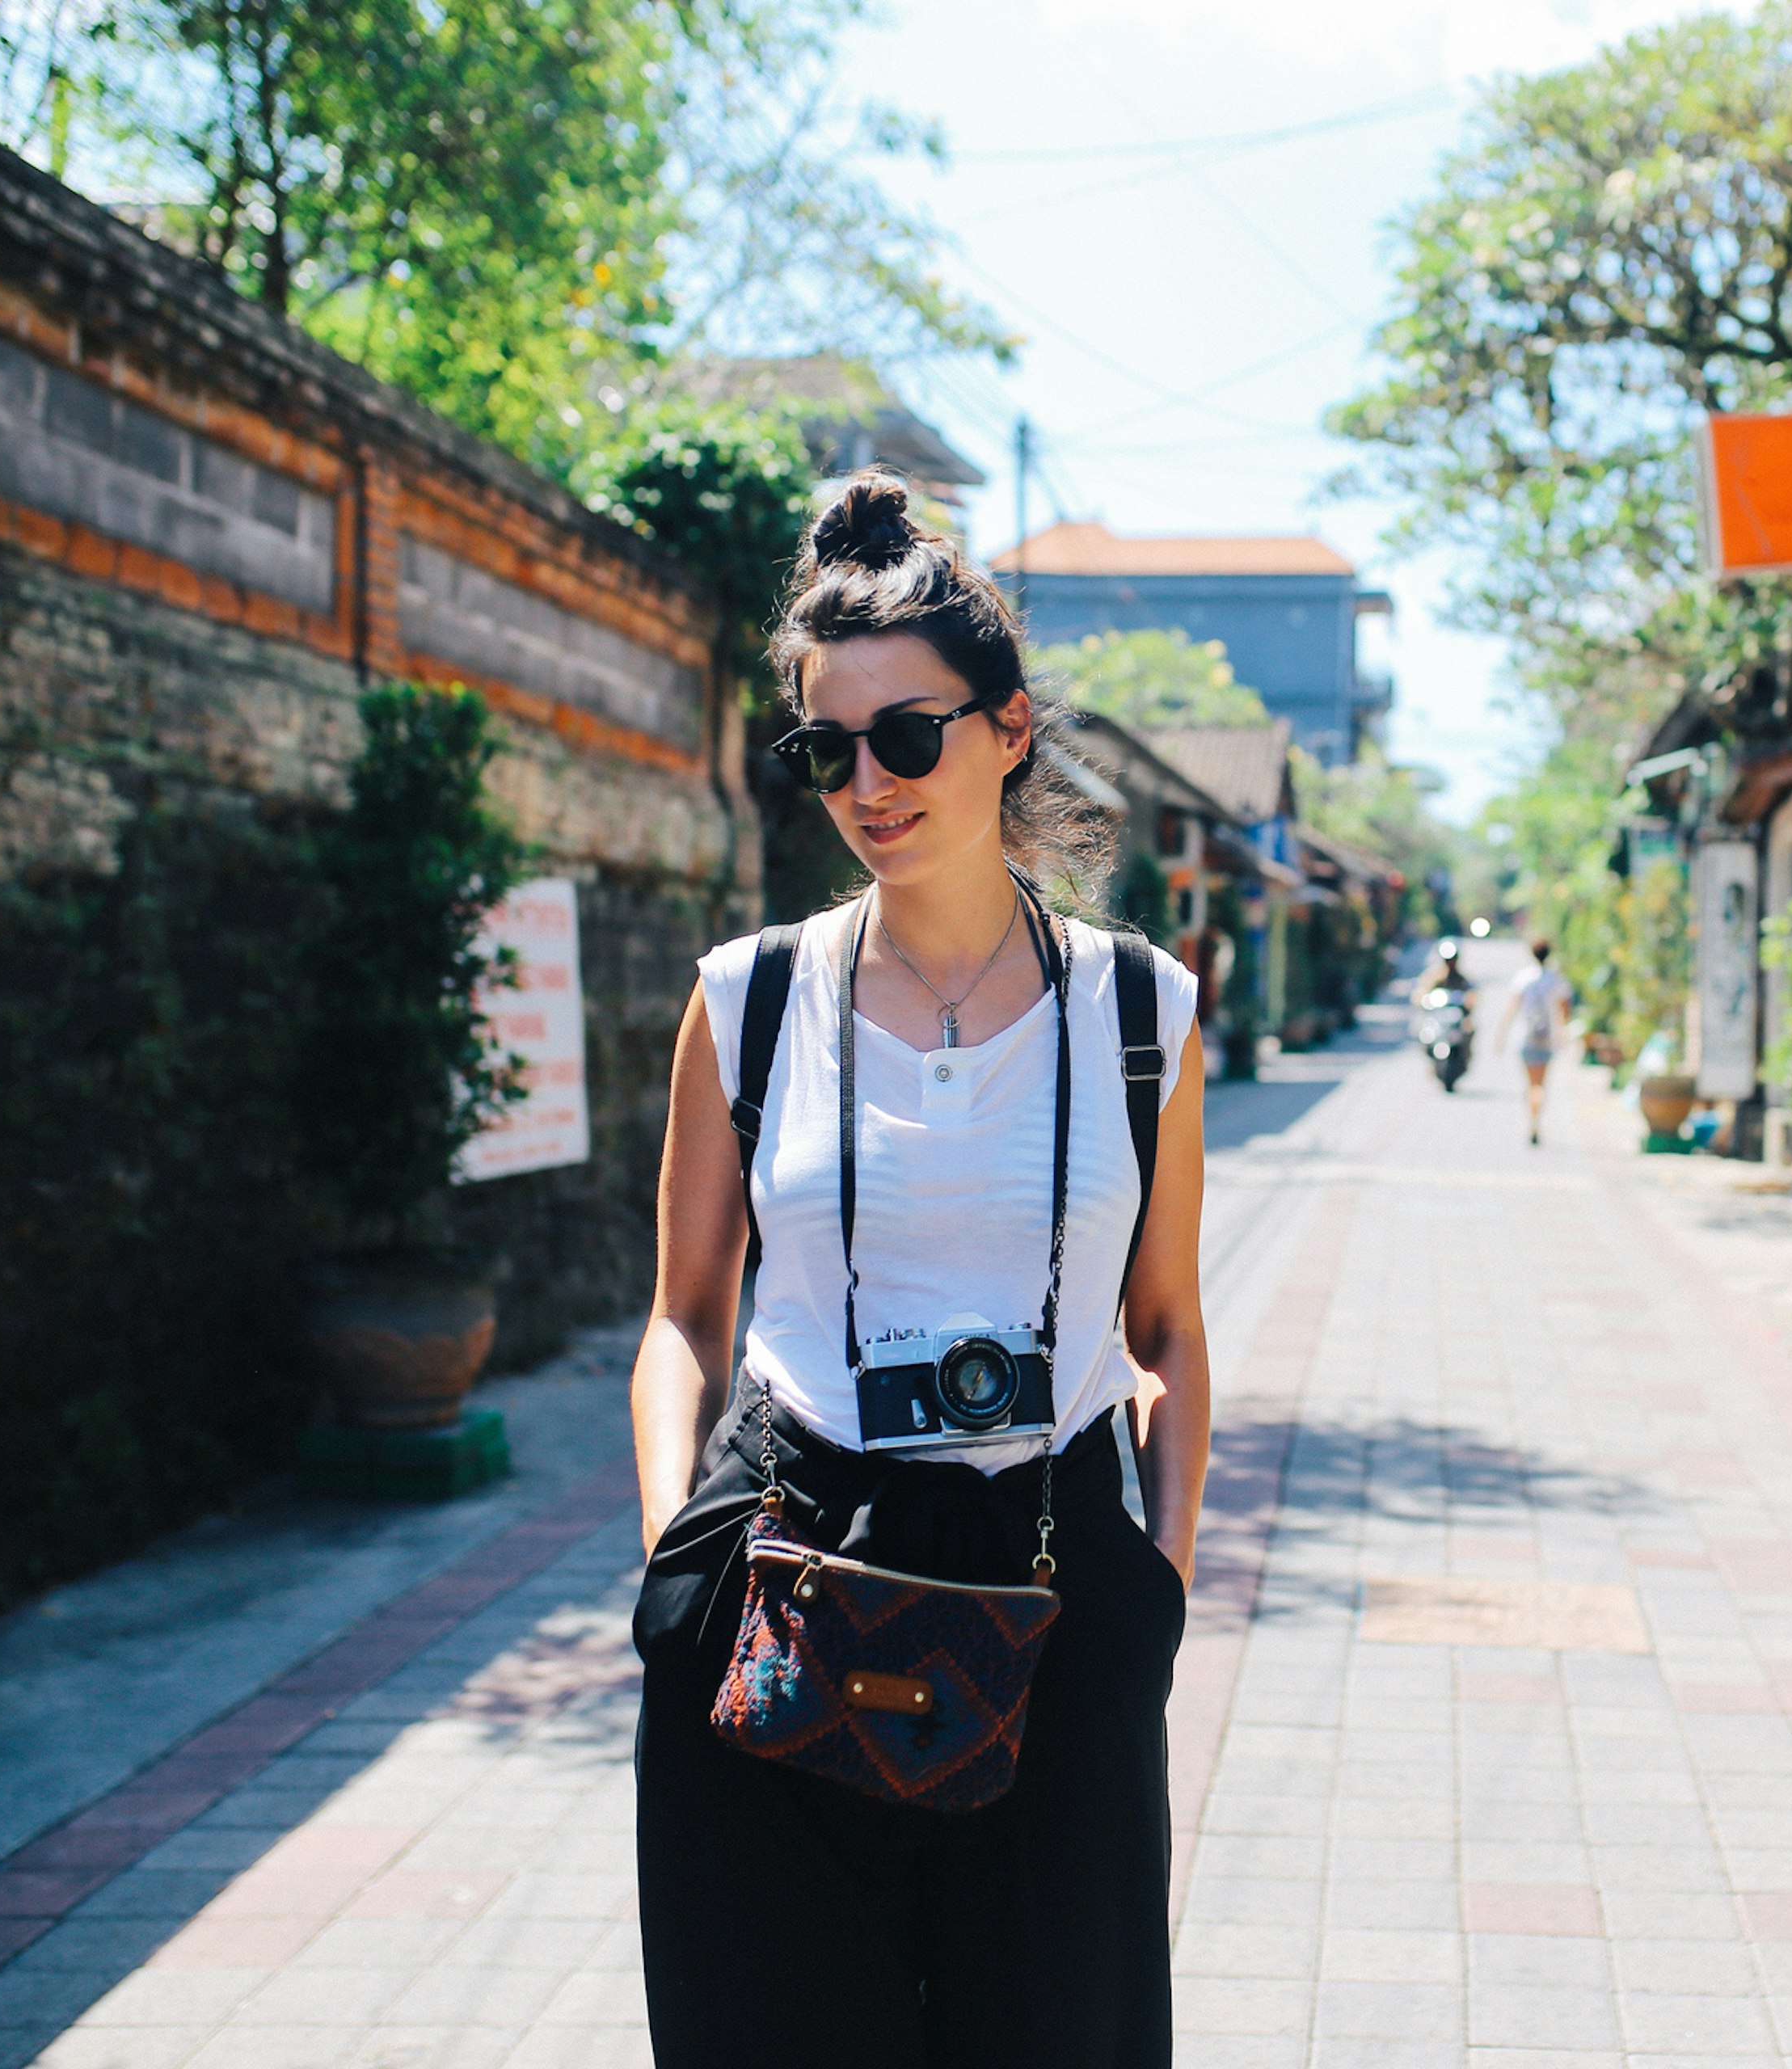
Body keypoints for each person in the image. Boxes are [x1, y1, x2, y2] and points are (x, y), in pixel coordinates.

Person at [625, 471, 1210, 2067]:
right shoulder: (747, 1000)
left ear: (1009, 726)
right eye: (828, 748)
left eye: (907, 735)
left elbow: (1165, 1321)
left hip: (1056, 1573)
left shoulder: (1141, 1010)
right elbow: (684, 1312)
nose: (868, 783)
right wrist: (676, 1559)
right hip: (791, 1564)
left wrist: (1159, 1570)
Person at [1504, 939, 1573, 1145]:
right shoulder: (1556, 979)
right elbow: (1565, 1009)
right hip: (1547, 1039)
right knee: (1540, 1085)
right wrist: (1563, 1033)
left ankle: (1532, 1122)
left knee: (1530, 1084)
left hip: (1526, 1037)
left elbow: (1513, 1008)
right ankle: (1536, 1120)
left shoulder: (1523, 978)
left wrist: (1502, 1034)